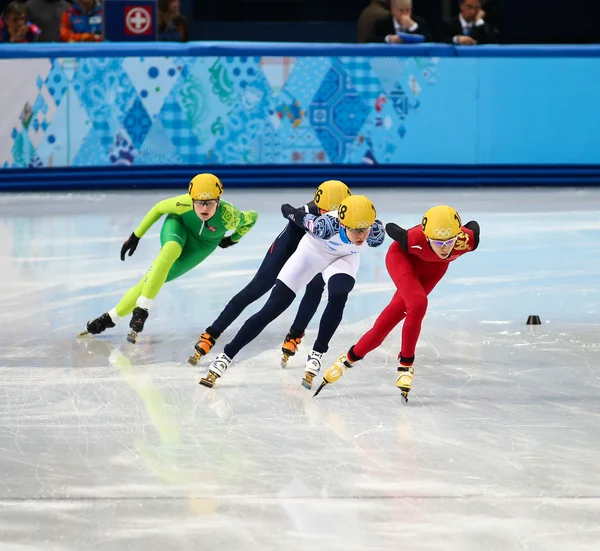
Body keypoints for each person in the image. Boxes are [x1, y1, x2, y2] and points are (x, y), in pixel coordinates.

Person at [198, 195, 386, 390]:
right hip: (312, 254)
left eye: (365, 229)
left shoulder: (376, 234)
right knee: (273, 307)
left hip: (344, 258)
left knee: (339, 294)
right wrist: (287, 208)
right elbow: (293, 214)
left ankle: (317, 354)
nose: (361, 236)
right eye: (356, 230)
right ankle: (225, 356)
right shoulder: (325, 225)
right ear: (344, 223)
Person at [316, 205, 480, 403]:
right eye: (437, 241)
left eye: (450, 241)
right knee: (418, 303)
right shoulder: (412, 239)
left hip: (433, 271)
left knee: (389, 320)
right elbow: (391, 228)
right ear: (427, 237)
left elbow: (473, 226)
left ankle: (347, 359)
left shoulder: (467, 241)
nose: (444, 247)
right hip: (402, 260)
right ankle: (406, 364)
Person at [188, 180, 352, 369]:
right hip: (287, 248)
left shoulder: (350, 213)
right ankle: (212, 332)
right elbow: (286, 208)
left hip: (313, 253)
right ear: (318, 206)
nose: (330, 216)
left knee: (316, 286)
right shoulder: (310, 209)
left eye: (335, 213)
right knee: (257, 288)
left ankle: (295, 333)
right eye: (324, 212)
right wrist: (304, 218)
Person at [78, 174, 258, 343]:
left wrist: (233, 239)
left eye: (209, 203)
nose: (204, 208)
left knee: (152, 280)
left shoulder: (231, 216)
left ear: (218, 201)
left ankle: (109, 318)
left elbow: (252, 218)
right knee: (170, 249)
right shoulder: (183, 203)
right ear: (192, 199)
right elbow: (158, 209)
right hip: (178, 227)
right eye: (199, 203)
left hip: (202, 246)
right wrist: (136, 235)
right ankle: (142, 310)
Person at [367, 0, 433, 43]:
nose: (404, 14)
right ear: (393, 10)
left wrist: (413, 27)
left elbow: (429, 42)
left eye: (407, 10)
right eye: (401, 10)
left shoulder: (419, 23)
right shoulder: (382, 23)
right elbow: (370, 41)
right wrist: (389, 39)